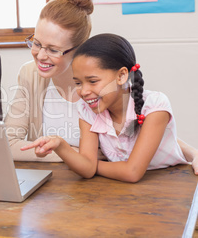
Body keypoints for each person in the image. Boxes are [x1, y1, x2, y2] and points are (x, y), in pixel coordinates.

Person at [21, 33, 198, 182]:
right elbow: (86, 169)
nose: (83, 91)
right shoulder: (87, 110)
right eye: (78, 83)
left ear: (121, 76)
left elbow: (132, 172)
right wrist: (60, 145)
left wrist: (92, 166)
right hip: (119, 189)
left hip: (172, 181)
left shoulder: (155, 105)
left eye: (92, 81)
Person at [4, 0, 94, 161]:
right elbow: (8, 145)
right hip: (50, 180)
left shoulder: (101, 82)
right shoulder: (30, 74)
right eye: (36, 43)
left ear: (79, 49)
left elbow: (115, 150)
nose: (40, 55)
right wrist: (71, 154)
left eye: (53, 49)